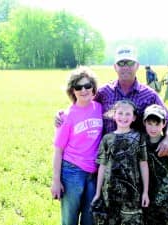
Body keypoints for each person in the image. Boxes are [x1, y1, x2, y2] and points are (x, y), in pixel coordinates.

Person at [55, 45, 168, 156]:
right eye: (121, 63)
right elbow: (82, 105)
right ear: (115, 67)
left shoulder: (149, 95)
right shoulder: (103, 92)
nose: (125, 67)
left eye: (129, 62)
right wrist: (63, 115)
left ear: (137, 65)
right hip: (107, 159)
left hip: (137, 161)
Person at [50, 66, 103, 225]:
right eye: (78, 87)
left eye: (87, 86)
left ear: (93, 87)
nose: (84, 90)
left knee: (89, 218)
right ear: (72, 90)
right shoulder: (67, 116)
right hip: (72, 171)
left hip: (93, 173)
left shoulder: (99, 108)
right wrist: (56, 181)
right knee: (70, 219)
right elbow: (58, 151)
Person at [91, 100, 149, 225]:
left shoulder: (139, 137)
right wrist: (97, 193)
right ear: (114, 115)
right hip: (110, 192)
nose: (123, 117)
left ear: (134, 118)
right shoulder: (107, 138)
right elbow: (102, 165)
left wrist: (145, 192)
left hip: (132, 193)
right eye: (120, 113)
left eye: (128, 114)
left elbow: (143, 164)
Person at [142, 104, 168, 225]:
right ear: (144, 123)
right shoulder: (141, 143)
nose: (153, 128)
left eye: (157, 124)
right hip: (147, 198)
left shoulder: (167, 147)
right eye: (150, 123)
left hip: (167, 199)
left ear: (164, 124)